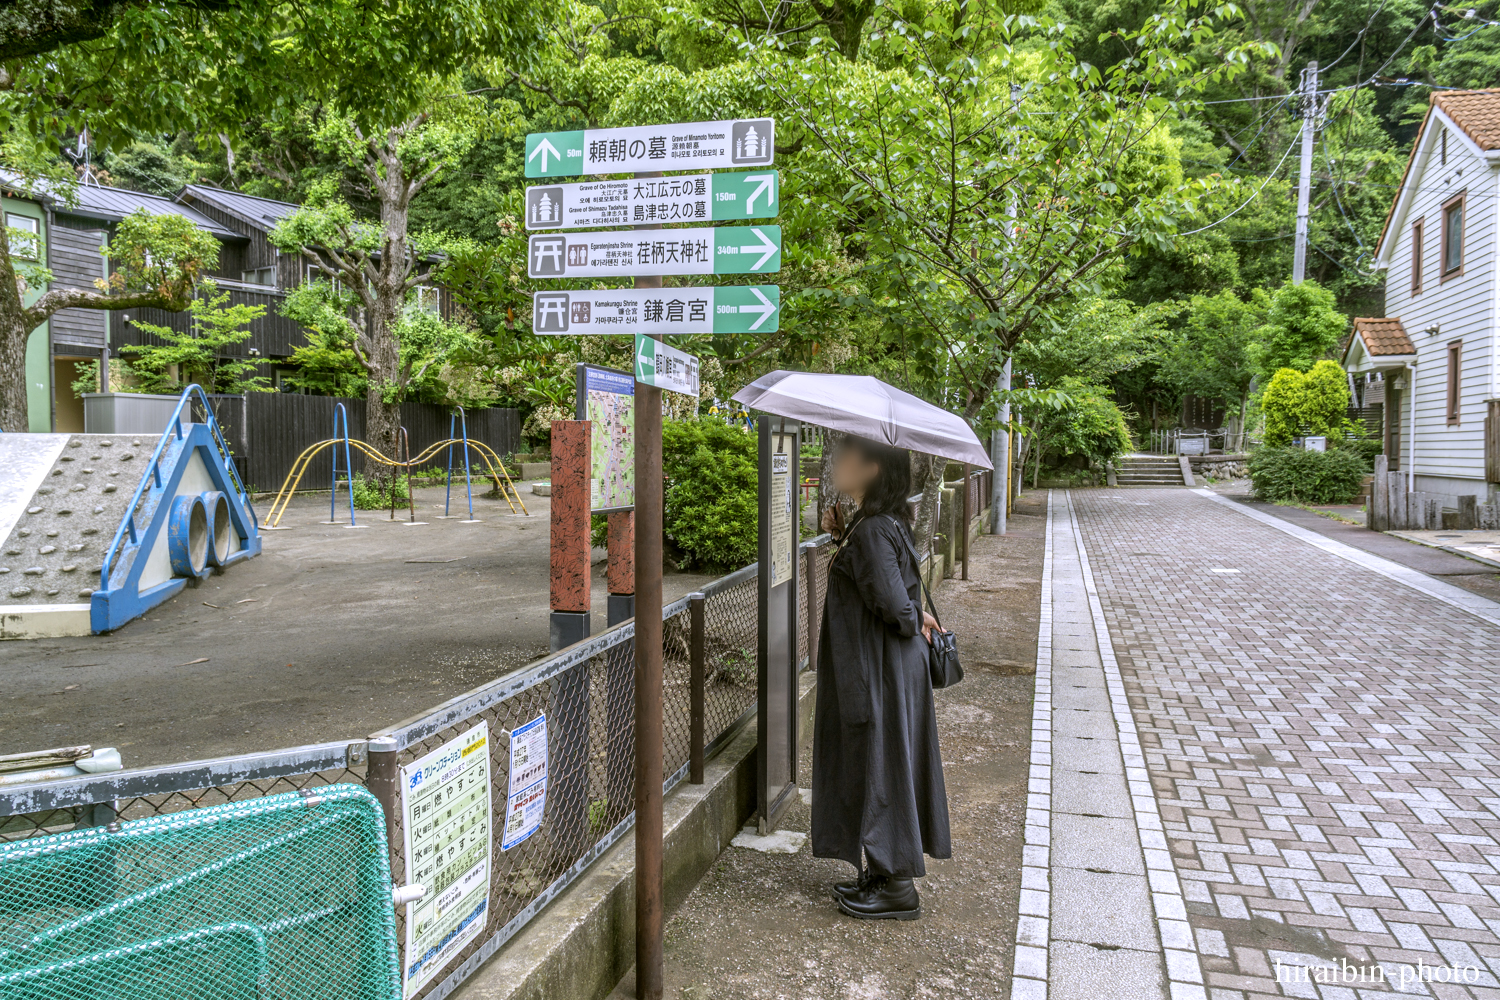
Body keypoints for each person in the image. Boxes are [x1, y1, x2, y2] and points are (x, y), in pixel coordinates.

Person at [812, 435, 951, 921]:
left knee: (883, 763)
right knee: (886, 761)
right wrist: (839, 536)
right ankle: (885, 870)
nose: (837, 463)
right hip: (890, 666)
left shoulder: (873, 529)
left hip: (881, 671)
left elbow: (892, 605)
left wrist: (912, 617)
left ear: (871, 468)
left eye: (846, 456)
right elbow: (889, 589)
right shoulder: (882, 523)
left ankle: (897, 887)